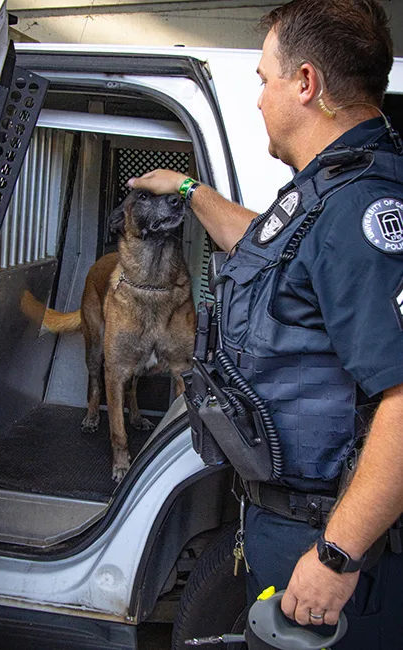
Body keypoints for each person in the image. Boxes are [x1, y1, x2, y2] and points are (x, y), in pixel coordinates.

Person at [128, 0, 403, 646]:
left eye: (263, 80)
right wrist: (190, 190)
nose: (257, 99)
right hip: (297, 531)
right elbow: (272, 249)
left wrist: (338, 556)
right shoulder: (329, 193)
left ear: (305, 84)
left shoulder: (362, 208)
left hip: (336, 554)